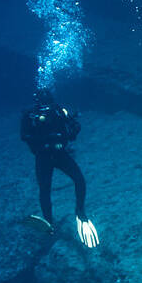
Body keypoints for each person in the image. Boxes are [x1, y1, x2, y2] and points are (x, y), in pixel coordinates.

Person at [20, 86, 99, 248]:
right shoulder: (30, 115)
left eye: (47, 101)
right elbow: (24, 136)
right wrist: (45, 137)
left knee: (79, 180)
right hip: (43, 156)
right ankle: (48, 222)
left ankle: (80, 211)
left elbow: (74, 127)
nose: (45, 105)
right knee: (45, 188)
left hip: (59, 153)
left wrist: (70, 132)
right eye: (43, 102)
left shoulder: (58, 111)